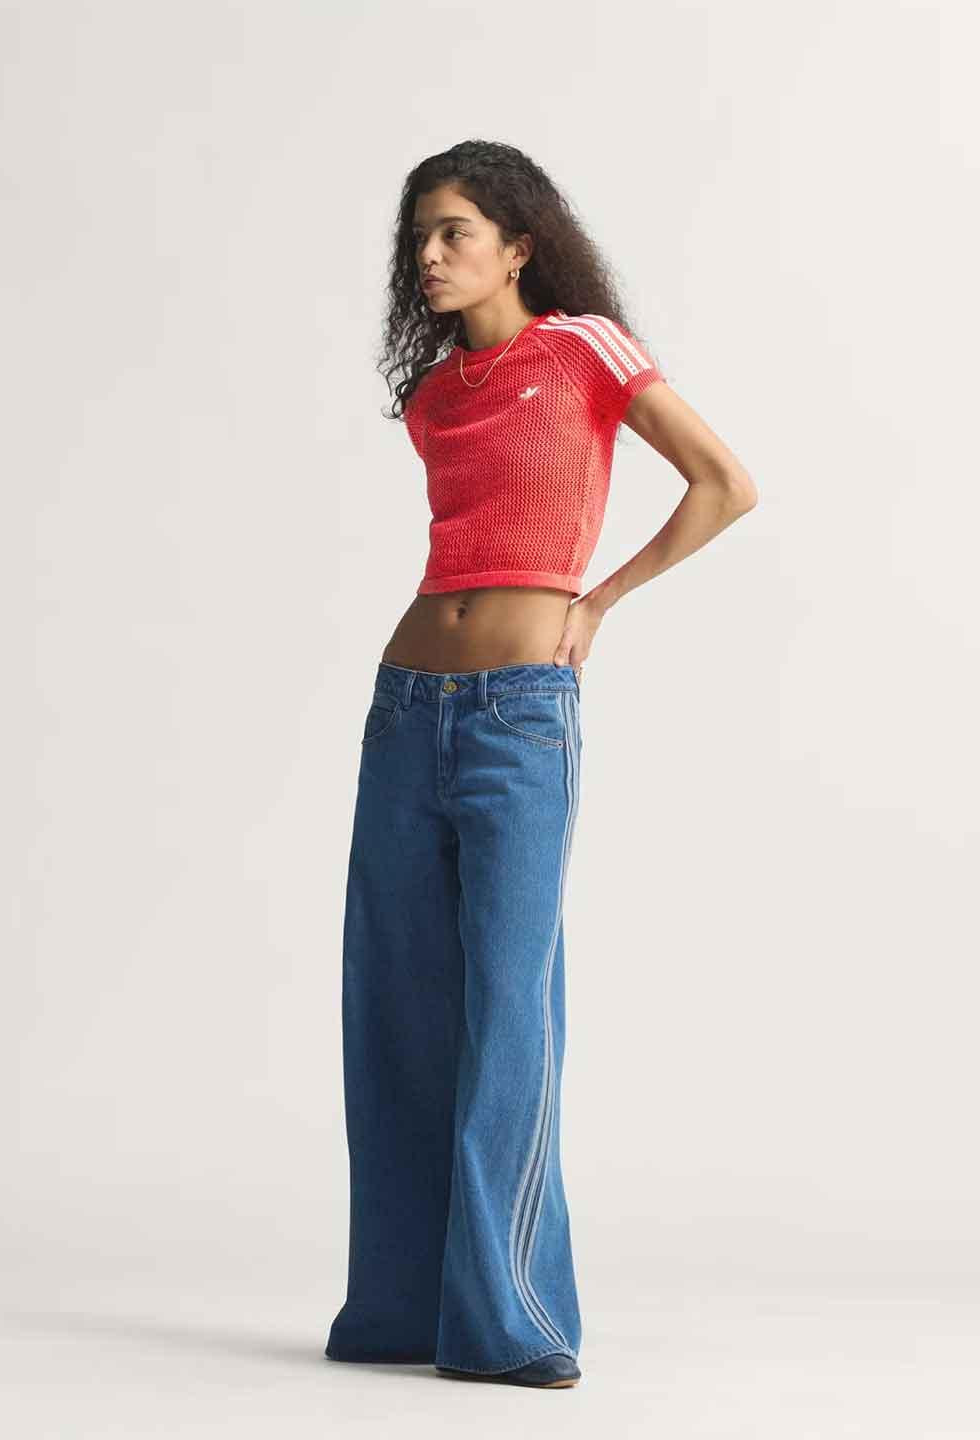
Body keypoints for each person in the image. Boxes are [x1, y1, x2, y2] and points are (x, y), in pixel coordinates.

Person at [324, 140, 757, 1390]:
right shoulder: (432, 396)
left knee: (511, 1005)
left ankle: (508, 1318)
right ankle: (399, 1310)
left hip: (520, 714)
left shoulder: (584, 350)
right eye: (419, 235)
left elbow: (724, 484)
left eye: (454, 231)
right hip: (407, 707)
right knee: (396, 1004)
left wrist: (601, 600)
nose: (428, 254)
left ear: (519, 246)